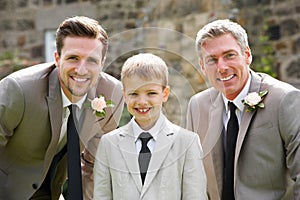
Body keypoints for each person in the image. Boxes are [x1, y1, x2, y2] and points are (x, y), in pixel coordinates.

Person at [0, 16, 124, 199]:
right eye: (73, 58)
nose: (81, 70)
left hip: (52, 192)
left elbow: (94, 166)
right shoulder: (18, 90)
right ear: (57, 58)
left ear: (102, 63)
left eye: (91, 60)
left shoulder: (112, 94)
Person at [186, 19, 300, 200]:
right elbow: (192, 177)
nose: (222, 67)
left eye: (229, 55)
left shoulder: (285, 100)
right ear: (202, 66)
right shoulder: (197, 106)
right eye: (212, 60)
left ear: (247, 55)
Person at [93, 53, 207, 200]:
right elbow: (101, 195)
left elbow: (195, 195)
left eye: (151, 93)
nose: (142, 101)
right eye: (134, 93)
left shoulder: (187, 142)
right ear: (124, 95)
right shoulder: (108, 143)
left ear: (164, 94)